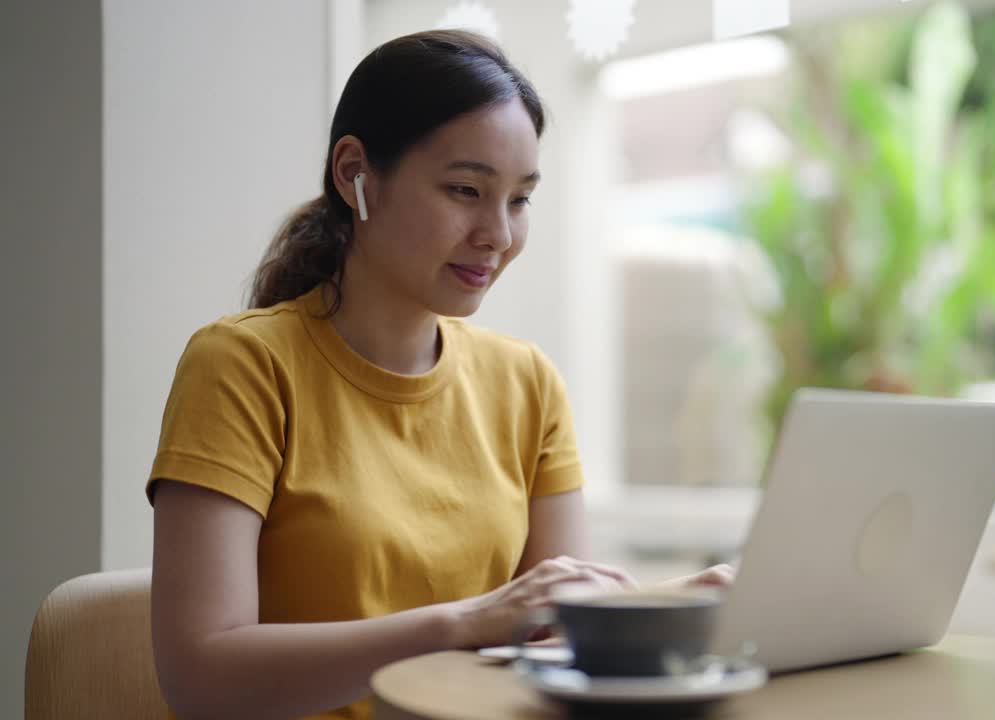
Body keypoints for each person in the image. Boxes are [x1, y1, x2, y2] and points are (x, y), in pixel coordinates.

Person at [146, 30, 732, 720]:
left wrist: (687, 602)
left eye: (519, 200)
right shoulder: (243, 367)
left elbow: (552, 631)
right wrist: (460, 623)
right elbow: (201, 678)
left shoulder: (527, 384)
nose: (498, 234)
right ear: (354, 172)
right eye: (465, 190)